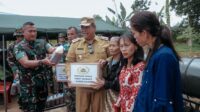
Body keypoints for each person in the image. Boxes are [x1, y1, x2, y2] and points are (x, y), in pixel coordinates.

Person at [130, 11, 184, 112]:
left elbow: (162, 100)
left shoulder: (164, 57)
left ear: (144, 33)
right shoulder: (154, 53)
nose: (134, 37)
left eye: (134, 33)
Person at [66, 17, 109, 112]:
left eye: (87, 27)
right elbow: (69, 62)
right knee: (82, 109)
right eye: (82, 27)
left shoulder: (104, 42)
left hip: (98, 85)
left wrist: (106, 61)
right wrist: (69, 76)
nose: (83, 30)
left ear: (94, 28)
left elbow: (113, 58)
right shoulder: (76, 44)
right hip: (81, 85)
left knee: (98, 110)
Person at [14, 22, 55, 112]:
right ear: (23, 32)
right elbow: (25, 63)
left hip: (42, 84)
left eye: (35, 31)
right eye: (30, 31)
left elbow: (52, 50)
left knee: (41, 107)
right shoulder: (19, 47)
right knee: (30, 109)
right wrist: (42, 61)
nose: (33, 33)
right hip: (28, 87)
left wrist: (61, 49)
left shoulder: (42, 42)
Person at [112, 32, 145, 112]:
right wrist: (116, 106)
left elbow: (135, 95)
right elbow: (122, 92)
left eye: (126, 45)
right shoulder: (124, 67)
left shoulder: (140, 67)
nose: (123, 49)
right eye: (121, 46)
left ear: (136, 46)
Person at [91, 36, 123, 112]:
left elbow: (120, 84)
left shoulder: (124, 62)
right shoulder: (108, 61)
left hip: (118, 98)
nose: (111, 48)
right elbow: (105, 78)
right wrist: (101, 68)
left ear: (120, 47)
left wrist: (105, 83)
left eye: (114, 46)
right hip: (108, 97)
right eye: (110, 45)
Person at [64, 26, 79, 112]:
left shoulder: (82, 46)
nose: (69, 36)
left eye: (72, 34)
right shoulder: (63, 47)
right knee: (69, 103)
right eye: (68, 34)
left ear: (77, 34)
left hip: (79, 80)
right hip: (67, 82)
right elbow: (61, 64)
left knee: (80, 104)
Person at [7, 28, 23, 95]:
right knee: (17, 83)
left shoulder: (28, 44)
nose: (20, 38)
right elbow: (9, 59)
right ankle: (20, 96)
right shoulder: (11, 46)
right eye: (18, 36)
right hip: (16, 67)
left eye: (21, 36)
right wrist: (15, 70)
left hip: (27, 67)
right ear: (16, 36)